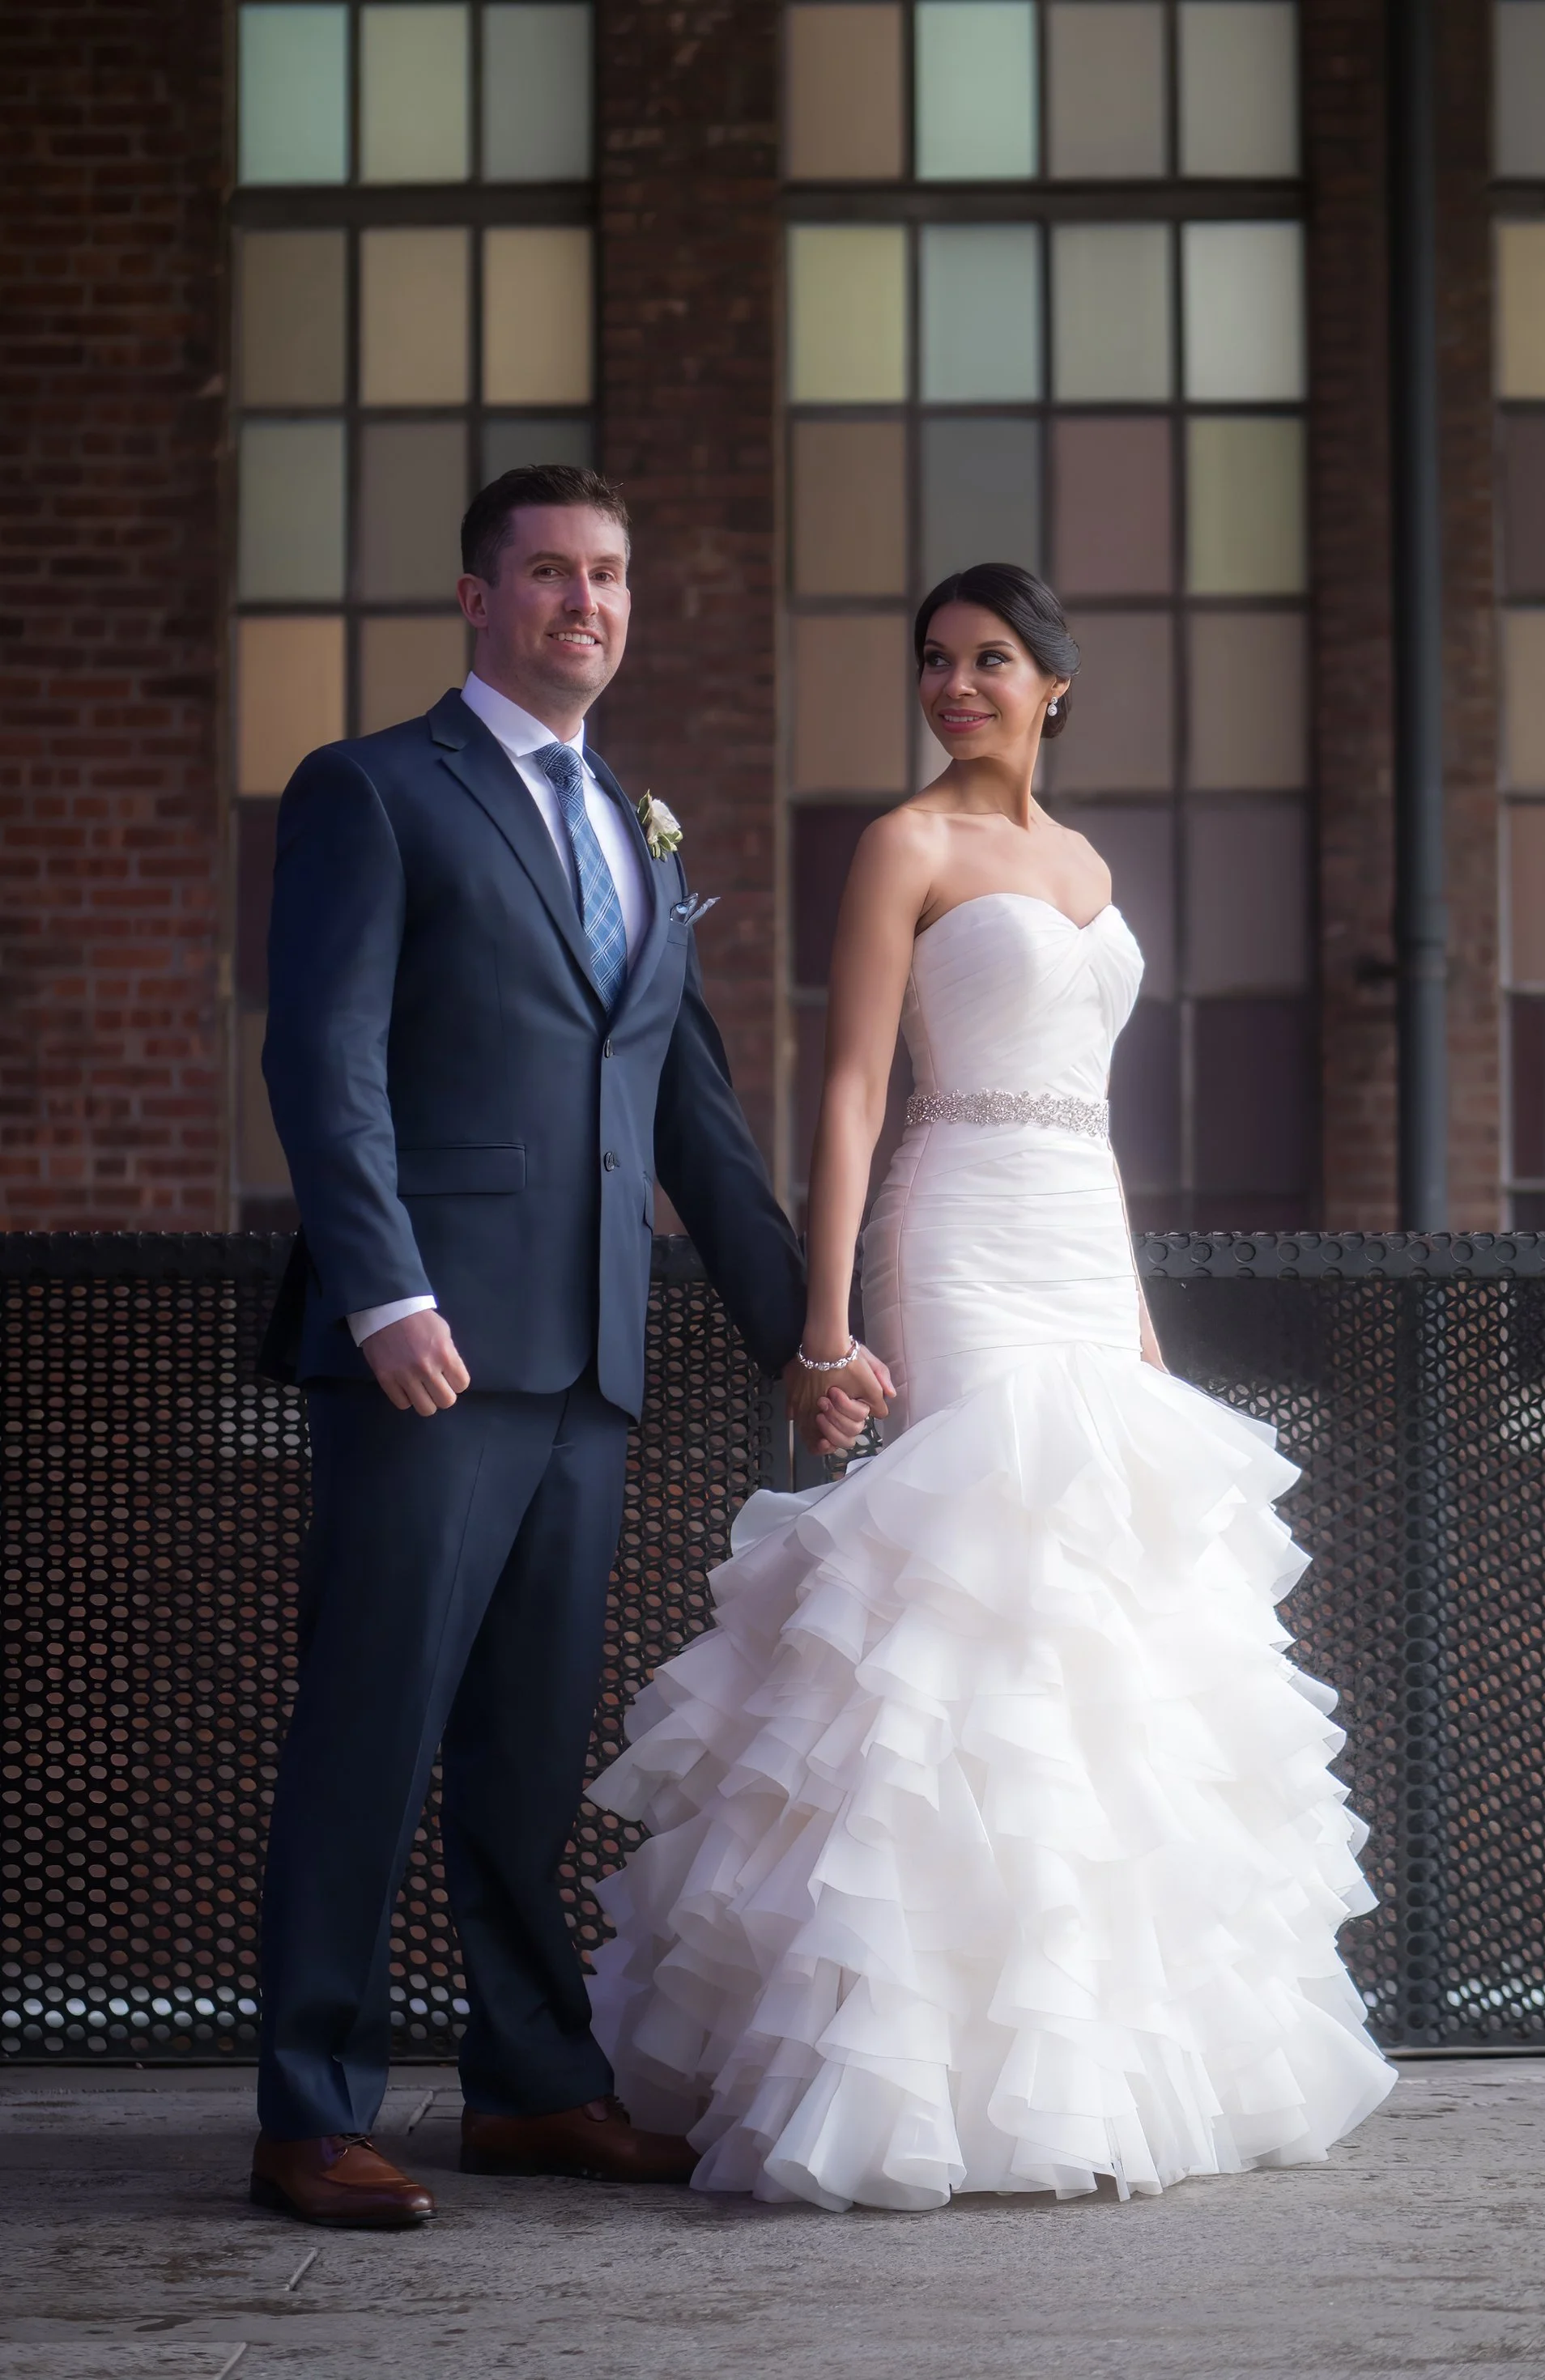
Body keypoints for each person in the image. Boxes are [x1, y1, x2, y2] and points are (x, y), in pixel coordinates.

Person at [585, 563, 1396, 2210]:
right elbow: (852, 1087)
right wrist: (825, 1330)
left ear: (1055, 688)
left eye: (991, 661)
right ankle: (899, 2062)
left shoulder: (1086, 867)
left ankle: (1090, 2050)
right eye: (936, 662)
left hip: (1085, 1246)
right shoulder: (907, 846)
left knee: (1113, 1616)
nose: (956, 686)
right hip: (956, 1237)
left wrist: (1144, 1316)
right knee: (975, 1592)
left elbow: (1096, 1121)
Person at [249, 464, 882, 2228]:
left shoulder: (636, 826)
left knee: (527, 1749)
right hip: (425, 1354)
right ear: (476, 598)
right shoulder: (374, 791)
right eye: (545, 575)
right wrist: (385, 1294)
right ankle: (310, 2106)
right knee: (370, 1730)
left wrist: (796, 1340)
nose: (582, 604)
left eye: (605, 576)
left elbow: (698, 1125)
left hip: (590, 1363)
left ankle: (529, 2087)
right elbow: (326, 1063)